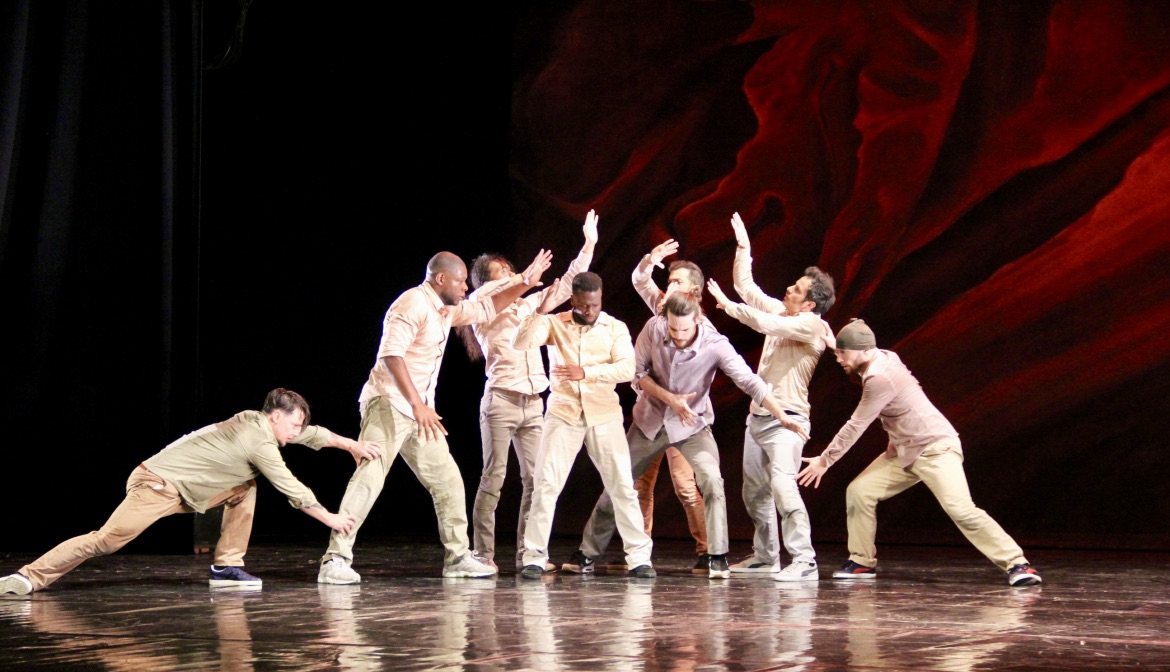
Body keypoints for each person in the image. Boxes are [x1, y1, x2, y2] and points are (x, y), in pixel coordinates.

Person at [317, 249, 552, 583]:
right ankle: (335, 559)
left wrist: (525, 283)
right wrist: (418, 405)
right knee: (370, 477)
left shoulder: (445, 310)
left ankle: (457, 558)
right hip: (389, 404)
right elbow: (391, 356)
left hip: (420, 413)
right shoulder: (411, 303)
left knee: (448, 481)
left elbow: (487, 307)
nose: (466, 288)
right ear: (441, 278)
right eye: (460, 281)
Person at [0, 388, 375, 595]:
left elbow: (310, 434)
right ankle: (28, 577)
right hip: (156, 484)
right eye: (292, 425)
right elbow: (290, 486)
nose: (295, 433)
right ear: (276, 416)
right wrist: (329, 518)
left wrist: (350, 445)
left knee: (244, 487)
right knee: (106, 541)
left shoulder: (255, 420)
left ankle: (226, 566)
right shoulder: (258, 441)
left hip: (186, 489)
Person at [571, 292, 805, 579]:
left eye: (684, 329)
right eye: (673, 329)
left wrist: (781, 415)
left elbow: (749, 381)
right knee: (617, 481)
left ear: (698, 319)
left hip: (692, 425)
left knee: (712, 480)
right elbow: (637, 373)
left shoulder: (715, 344)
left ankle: (716, 555)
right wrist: (671, 399)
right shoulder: (653, 328)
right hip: (650, 422)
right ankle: (587, 552)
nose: (679, 336)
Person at [797, 319, 1043, 587]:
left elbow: (856, 425)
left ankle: (1018, 565)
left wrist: (825, 460)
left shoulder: (880, 378)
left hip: (935, 448)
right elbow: (859, 349)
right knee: (860, 491)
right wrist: (837, 345)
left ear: (865, 351)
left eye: (843, 353)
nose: (839, 359)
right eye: (839, 353)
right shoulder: (885, 355)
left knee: (961, 509)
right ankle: (862, 561)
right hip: (904, 452)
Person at [460, 210, 599, 570]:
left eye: (509, 270)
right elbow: (488, 292)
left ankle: (529, 554)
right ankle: (482, 555)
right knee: (493, 478)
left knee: (537, 481)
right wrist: (521, 279)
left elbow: (567, 285)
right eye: (501, 273)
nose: (508, 275)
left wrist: (588, 246)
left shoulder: (528, 305)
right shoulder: (481, 309)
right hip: (501, 401)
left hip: (534, 404)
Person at [704, 211, 835, 582]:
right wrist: (744, 248)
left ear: (809, 304)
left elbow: (764, 322)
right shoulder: (784, 310)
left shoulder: (810, 325)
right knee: (755, 492)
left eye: (797, 290)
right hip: (759, 417)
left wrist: (728, 306)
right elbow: (746, 287)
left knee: (782, 486)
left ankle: (805, 560)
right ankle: (766, 557)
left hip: (788, 420)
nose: (789, 290)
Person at [513, 272, 656, 579]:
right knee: (546, 485)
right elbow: (521, 342)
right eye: (584, 305)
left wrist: (586, 372)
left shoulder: (615, 327)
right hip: (564, 413)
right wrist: (540, 311)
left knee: (622, 486)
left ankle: (639, 557)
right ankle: (534, 556)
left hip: (603, 414)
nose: (590, 310)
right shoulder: (554, 323)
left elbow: (626, 368)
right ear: (573, 300)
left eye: (595, 304)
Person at [629, 240, 710, 573]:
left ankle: (708, 551)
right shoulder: (662, 307)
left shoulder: (702, 327)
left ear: (694, 290)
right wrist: (651, 259)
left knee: (685, 486)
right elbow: (639, 280)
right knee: (639, 486)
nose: (669, 287)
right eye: (669, 281)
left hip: (680, 417)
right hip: (651, 415)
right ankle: (638, 553)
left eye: (677, 282)